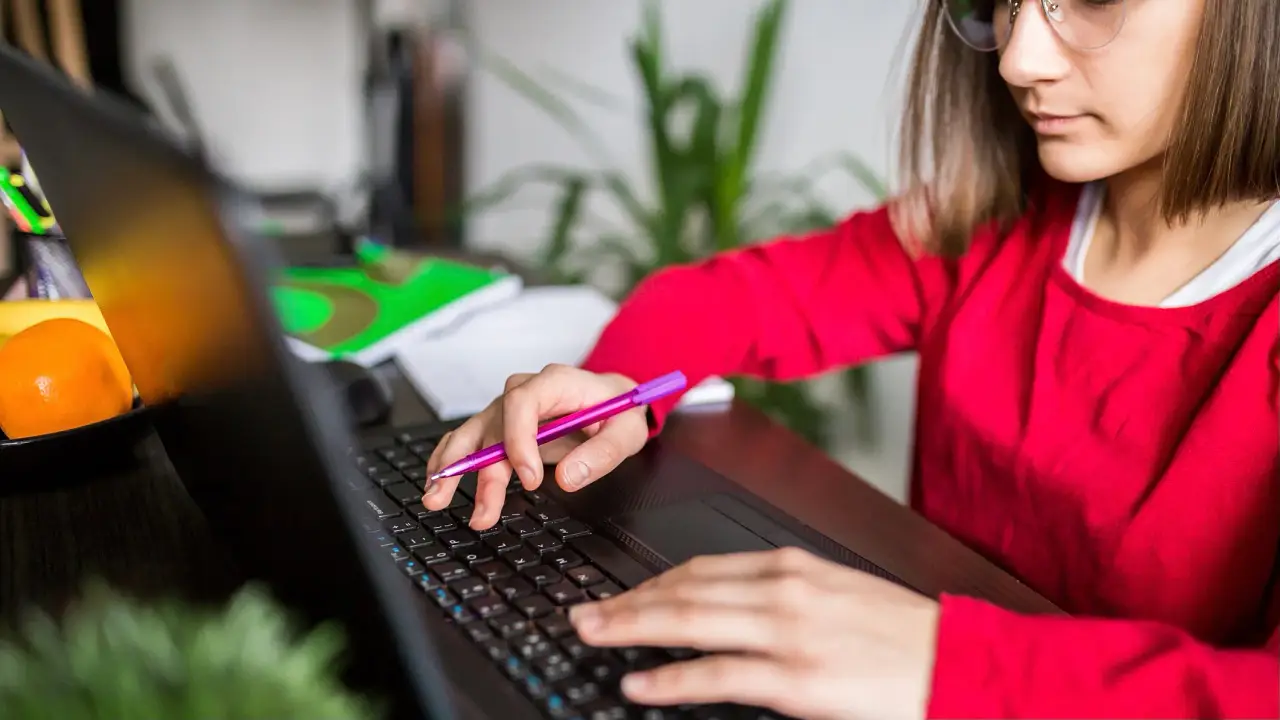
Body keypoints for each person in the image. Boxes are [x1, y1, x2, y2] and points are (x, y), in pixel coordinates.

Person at [425, 0, 1280, 717]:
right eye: (1006, 0)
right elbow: (708, 303)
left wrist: (952, 663)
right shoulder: (989, 226)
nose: (1019, 59)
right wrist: (614, 395)